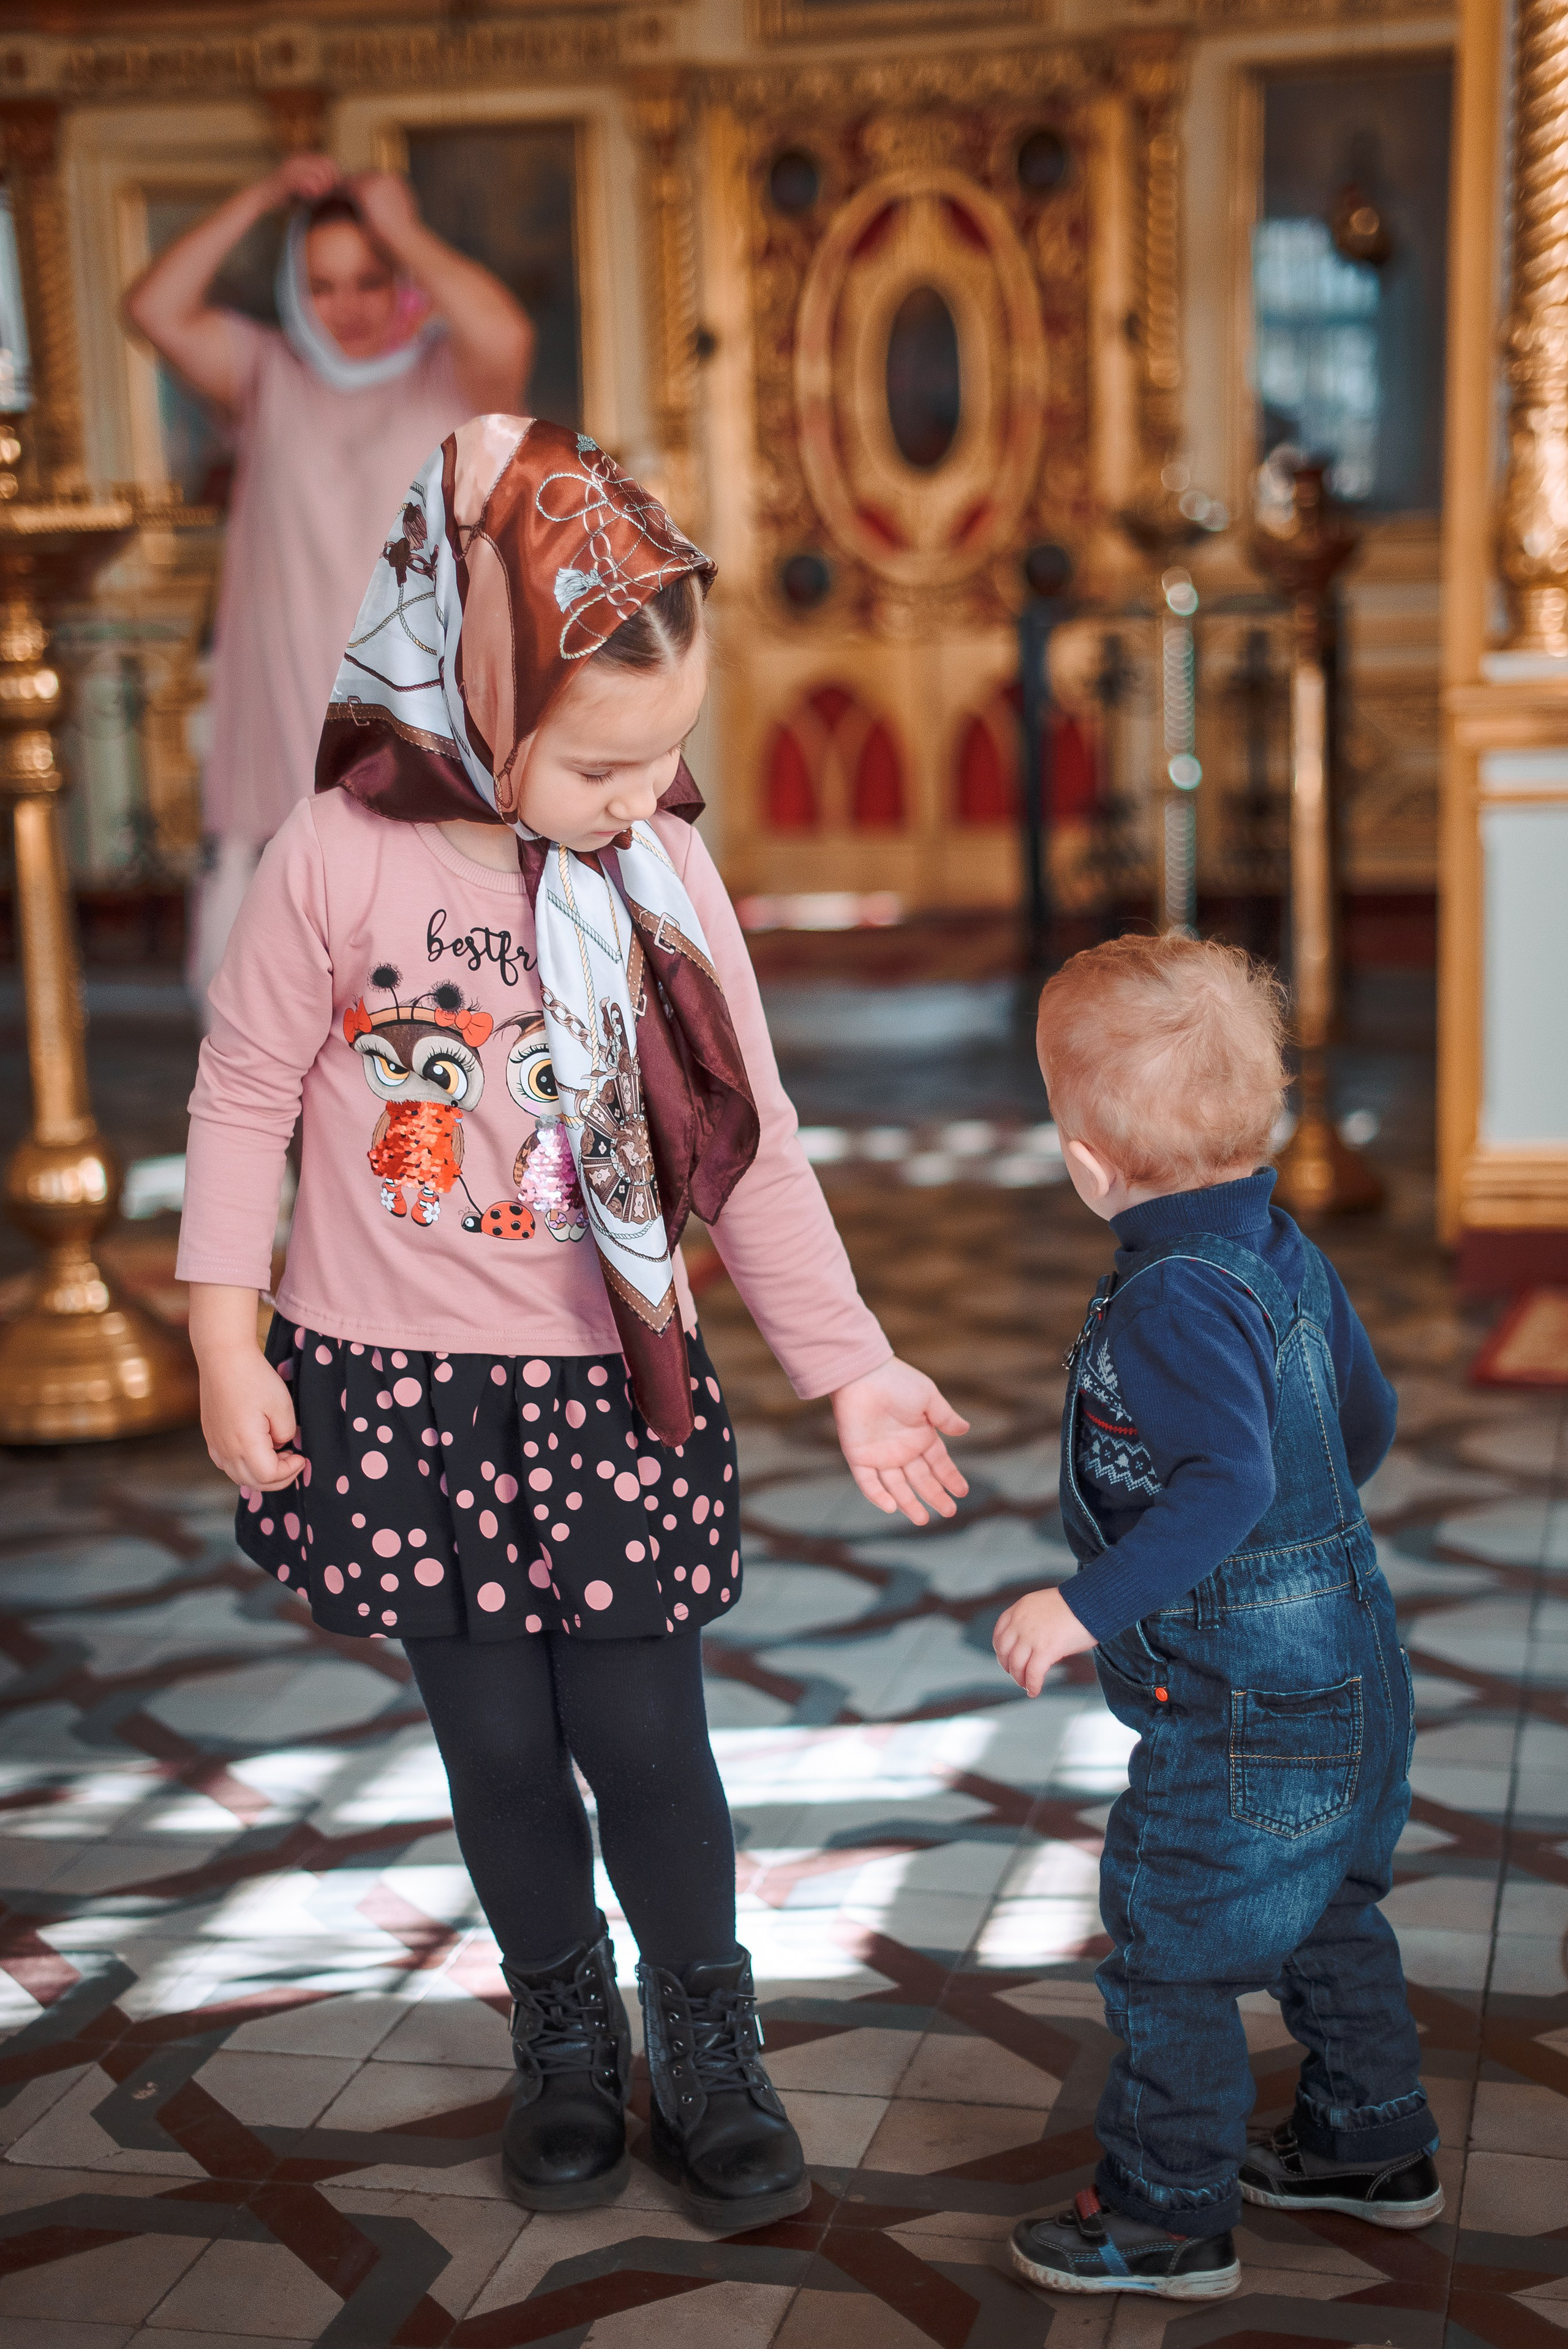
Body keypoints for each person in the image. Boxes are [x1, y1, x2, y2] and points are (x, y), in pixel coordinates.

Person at [175, 414, 971, 2231]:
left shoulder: (666, 876)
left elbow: (746, 1151)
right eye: (605, 759)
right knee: (501, 1750)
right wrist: (228, 1340)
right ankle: (561, 2025)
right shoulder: (335, 856)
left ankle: (706, 2034)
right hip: (395, 1391)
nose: (647, 792)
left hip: (617, 1387)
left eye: (673, 748)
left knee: (645, 1743)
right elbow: (235, 1101)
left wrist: (848, 1366)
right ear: (477, 682)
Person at [993, 934, 1438, 2304]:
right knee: (1327, 1901)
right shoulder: (1277, 1245)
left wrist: (1082, 1604)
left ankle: (1163, 2212)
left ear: (1085, 1159)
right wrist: (1308, 1554)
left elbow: (1227, 1484)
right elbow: (1361, 1419)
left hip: (1247, 1692)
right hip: (1354, 1648)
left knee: (1171, 1945)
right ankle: (1369, 2141)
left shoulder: (1170, 1295)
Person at [124, 156, 532, 1011]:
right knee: (291, 993)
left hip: (422, 710)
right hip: (288, 715)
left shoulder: (453, 376)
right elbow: (151, 308)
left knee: (436, 996)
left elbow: (508, 335)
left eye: (370, 278)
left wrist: (403, 229)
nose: (346, 307)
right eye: (321, 285)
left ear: (402, 281)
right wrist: (267, 192)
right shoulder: (266, 374)